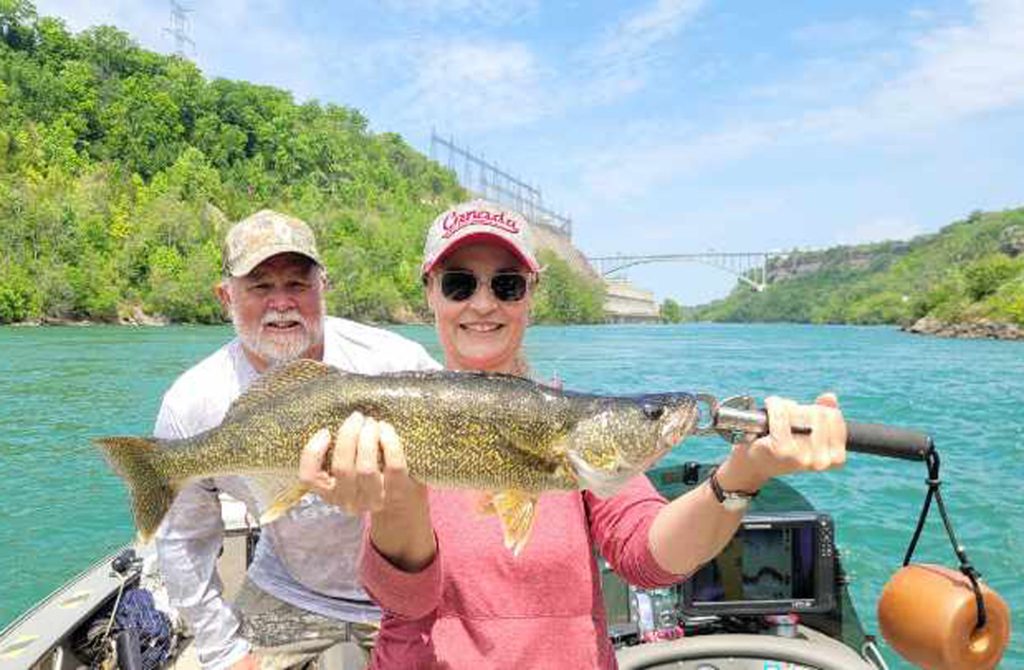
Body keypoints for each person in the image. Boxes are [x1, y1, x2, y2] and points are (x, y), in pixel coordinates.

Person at [302, 199, 847, 669]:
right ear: (431, 294)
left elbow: (648, 556)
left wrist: (744, 474)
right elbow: (407, 599)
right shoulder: (395, 415)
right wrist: (398, 504)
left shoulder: (573, 421)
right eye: (460, 283)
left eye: (507, 285)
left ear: (530, 296)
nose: (484, 303)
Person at [153, 209, 439, 670]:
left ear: (323, 287)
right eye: (260, 286)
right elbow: (184, 539)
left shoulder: (396, 362)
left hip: (407, 595)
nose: (281, 303)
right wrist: (222, 652)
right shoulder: (193, 404)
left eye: (298, 284)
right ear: (226, 296)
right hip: (286, 588)